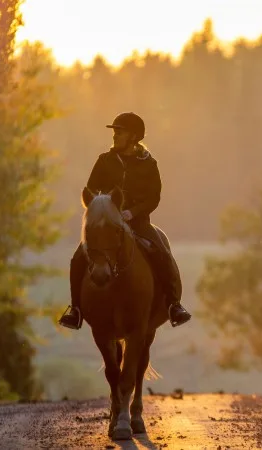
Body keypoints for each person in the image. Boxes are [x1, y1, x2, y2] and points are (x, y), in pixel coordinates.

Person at [58, 112, 193, 330]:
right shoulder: (104, 161)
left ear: (133, 137)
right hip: (107, 224)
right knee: (77, 259)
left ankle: (173, 305)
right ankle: (76, 309)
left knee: (162, 253)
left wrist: (132, 212)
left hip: (138, 222)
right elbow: (91, 189)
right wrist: (103, 207)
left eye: (119, 132)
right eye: (115, 132)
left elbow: (154, 197)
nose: (114, 136)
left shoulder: (149, 164)